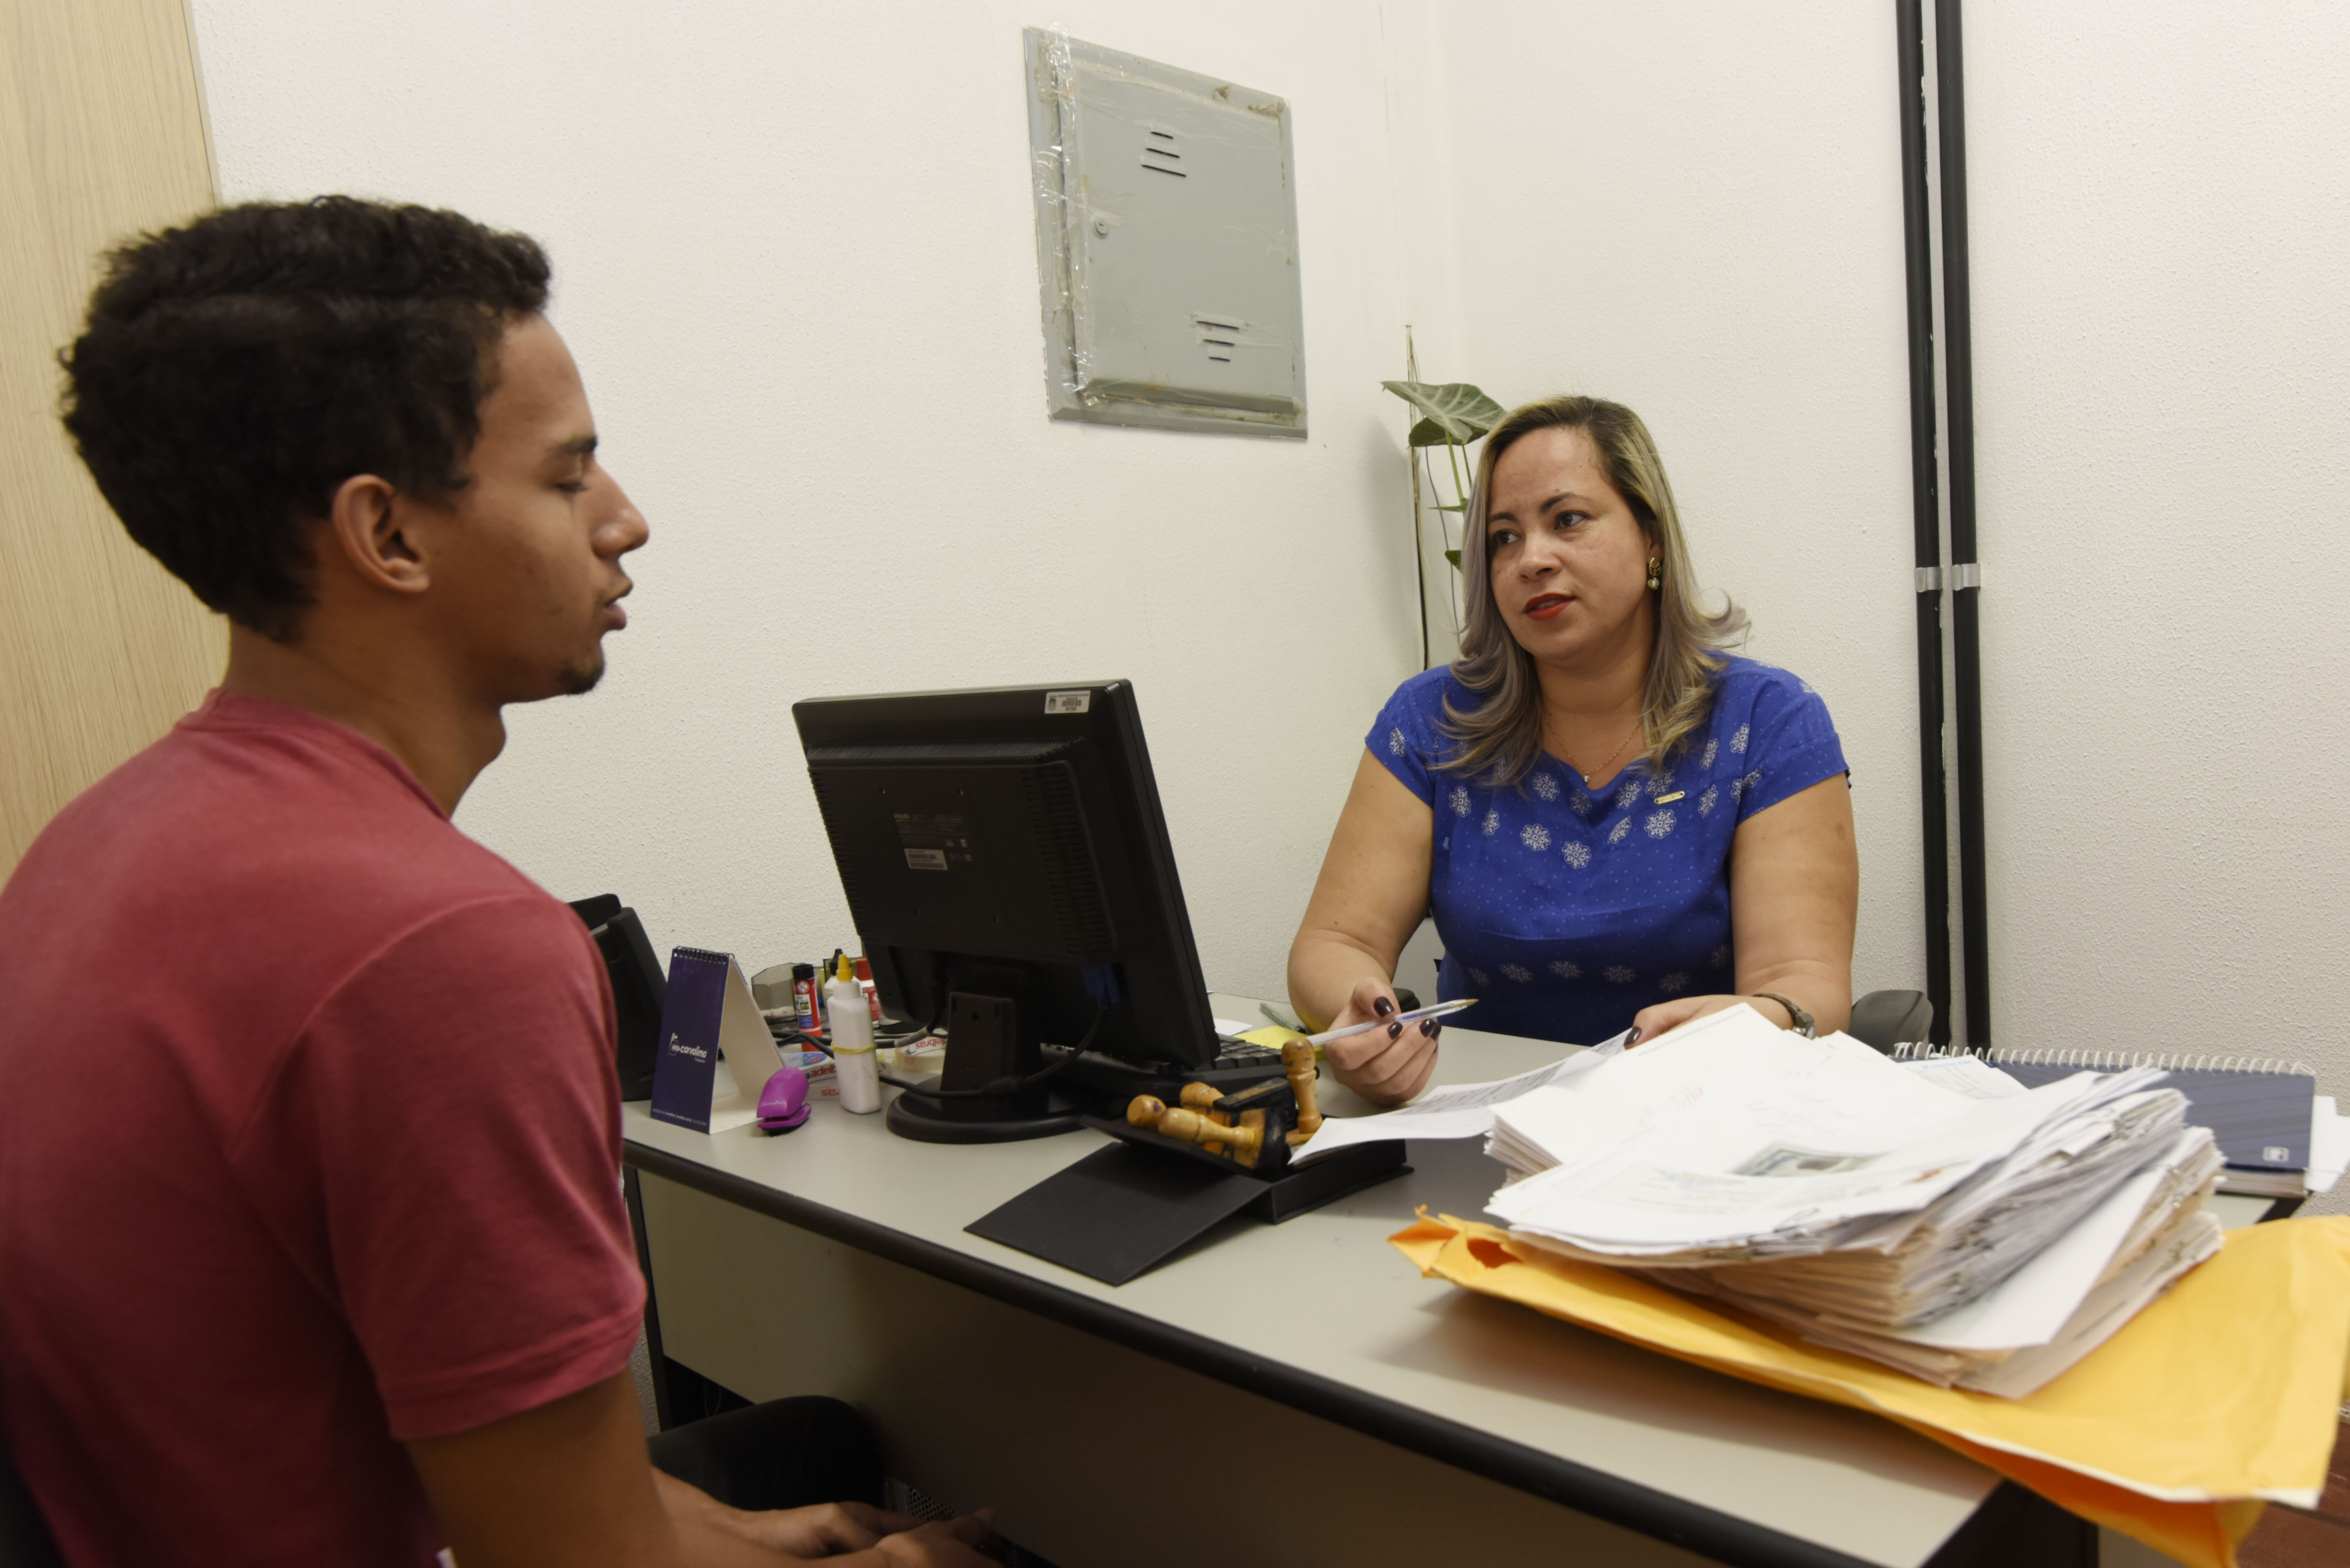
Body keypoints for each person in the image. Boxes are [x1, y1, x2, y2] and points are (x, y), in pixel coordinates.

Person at [0, 198, 993, 1568]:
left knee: (807, 1453)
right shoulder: (442, 947)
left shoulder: (95, 843)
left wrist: (742, 1539)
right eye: (568, 478)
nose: (626, 520)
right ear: (389, 536)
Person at [1288, 395, 1858, 1104]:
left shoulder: (1768, 721)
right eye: (1503, 537)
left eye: (1567, 520)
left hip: (1697, 1108)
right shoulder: (1432, 722)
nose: (1531, 559)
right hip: (1477, 1113)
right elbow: (1335, 942)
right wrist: (1358, 1014)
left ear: (1651, 538)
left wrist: (1752, 1023)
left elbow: (1803, 983)